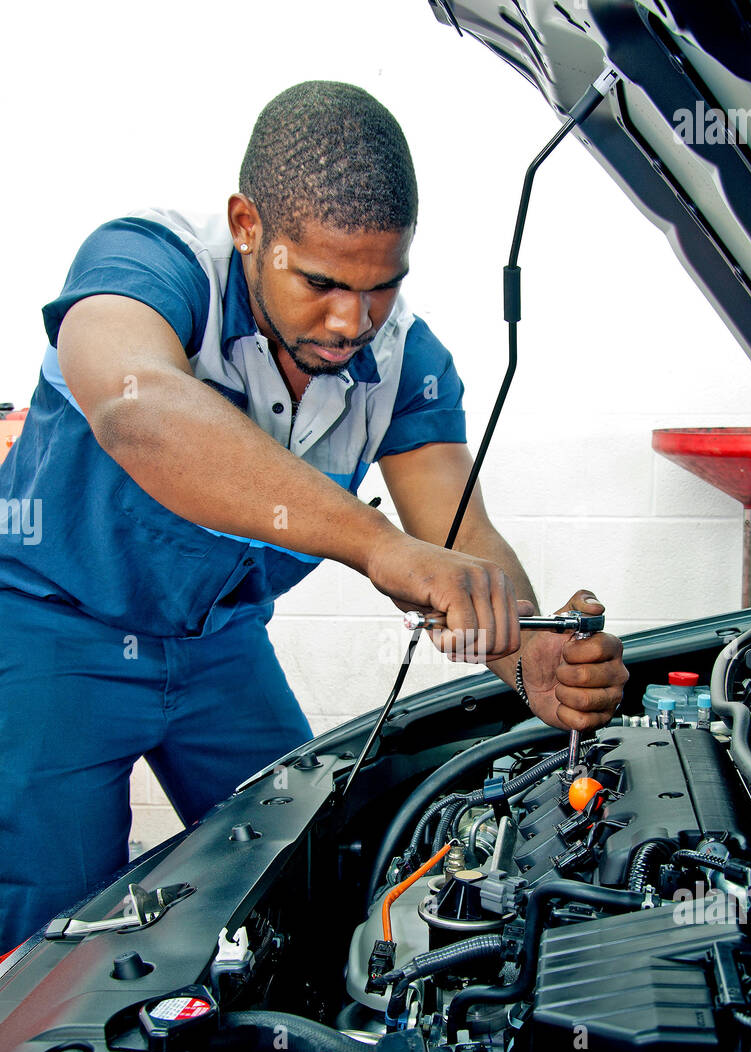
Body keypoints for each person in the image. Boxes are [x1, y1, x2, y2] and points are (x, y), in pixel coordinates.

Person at [0, 81, 627, 953]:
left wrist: (527, 644)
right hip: (50, 631)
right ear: (249, 226)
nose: (351, 322)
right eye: (324, 283)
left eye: (382, 286)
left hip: (220, 644)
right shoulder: (149, 266)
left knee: (308, 865)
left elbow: (458, 535)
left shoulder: (407, 358)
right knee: (54, 932)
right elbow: (138, 413)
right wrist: (377, 548)